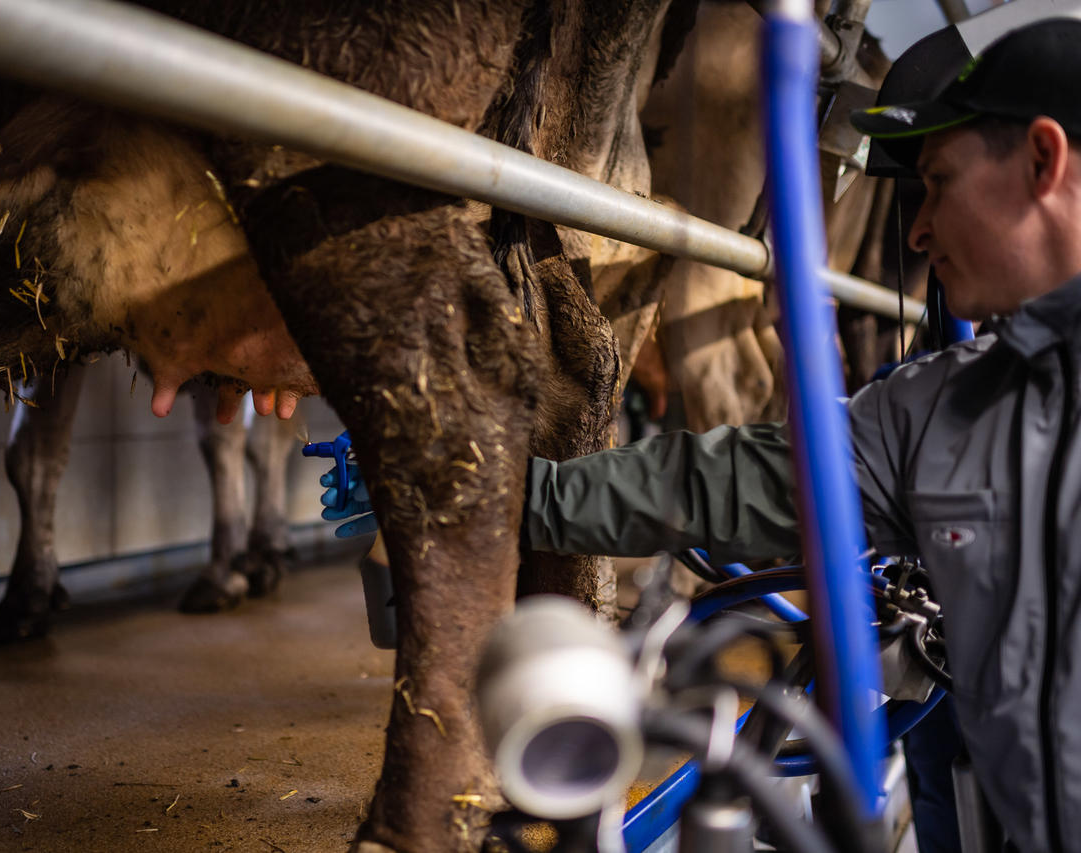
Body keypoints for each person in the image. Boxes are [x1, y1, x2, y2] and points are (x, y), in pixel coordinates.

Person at [323, 18, 1081, 853]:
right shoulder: (944, 408)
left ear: (1044, 162)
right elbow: (727, 481)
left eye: (938, 182)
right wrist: (493, 486)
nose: (917, 229)